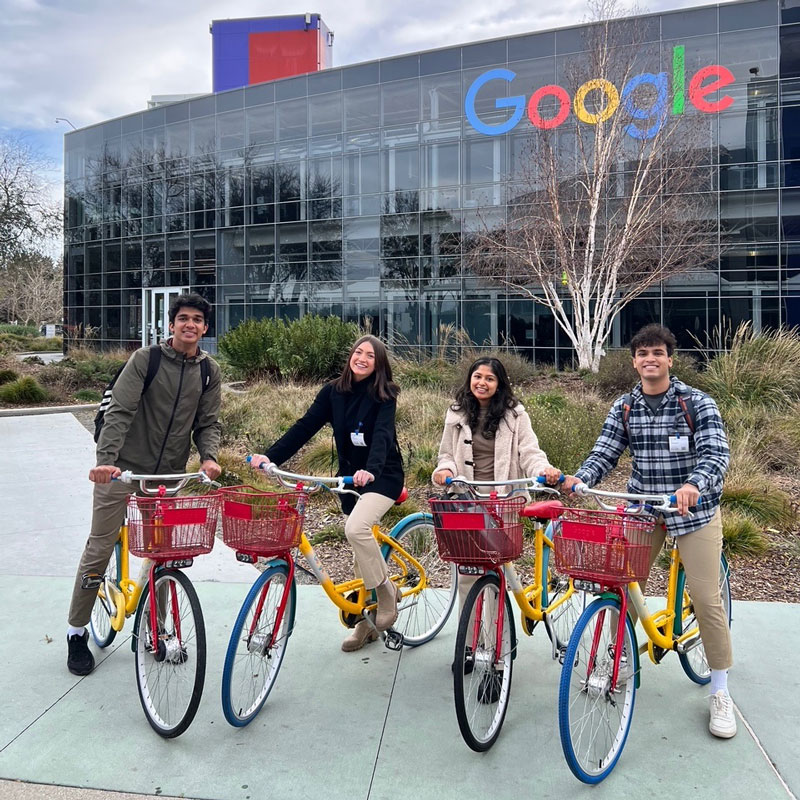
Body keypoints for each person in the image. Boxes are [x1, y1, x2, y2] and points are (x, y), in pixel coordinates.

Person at [561, 323, 734, 739]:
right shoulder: (625, 406)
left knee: (707, 599)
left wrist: (693, 485)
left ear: (670, 359)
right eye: (642, 354)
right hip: (644, 508)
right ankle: (620, 657)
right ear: (635, 361)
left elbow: (715, 452)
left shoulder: (696, 402)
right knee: (621, 582)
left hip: (693, 511)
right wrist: (580, 478)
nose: (650, 359)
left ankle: (720, 690)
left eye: (657, 352)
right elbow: (605, 450)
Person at [66, 293, 222, 676]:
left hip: (166, 475)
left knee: (162, 554)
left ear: (205, 327)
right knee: (100, 546)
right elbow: (119, 411)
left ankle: (158, 629)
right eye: (183, 318)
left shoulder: (208, 371)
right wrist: (106, 463)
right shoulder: (146, 360)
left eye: (197, 319)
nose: (190, 324)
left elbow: (208, 422)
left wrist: (209, 456)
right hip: (122, 469)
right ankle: (76, 631)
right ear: (171, 325)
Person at [250, 335, 405, 653]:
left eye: (370, 356)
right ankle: (367, 624)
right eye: (358, 352)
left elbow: (382, 435)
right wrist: (270, 457)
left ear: (379, 364)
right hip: (349, 478)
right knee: (360, 551)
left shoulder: (385, 394)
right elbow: (305, 426)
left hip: (381, 475)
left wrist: (372, 469)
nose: (362, 358)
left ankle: (387, 592)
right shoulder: (333, 392)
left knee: (356, 529)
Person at [432, 357, 562, 611]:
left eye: (489, 379)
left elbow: (530, 451)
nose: (482, 383)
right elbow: (446, 453)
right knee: (468, 570)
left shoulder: (515, 415)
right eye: (477, 376)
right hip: (466, 499)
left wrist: (543, 470)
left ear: (499, 384)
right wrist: (444, 469)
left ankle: (494, 641)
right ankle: (468, 643)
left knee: (495, 569)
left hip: (502, 500)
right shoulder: (456, 413)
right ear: (470, 379)